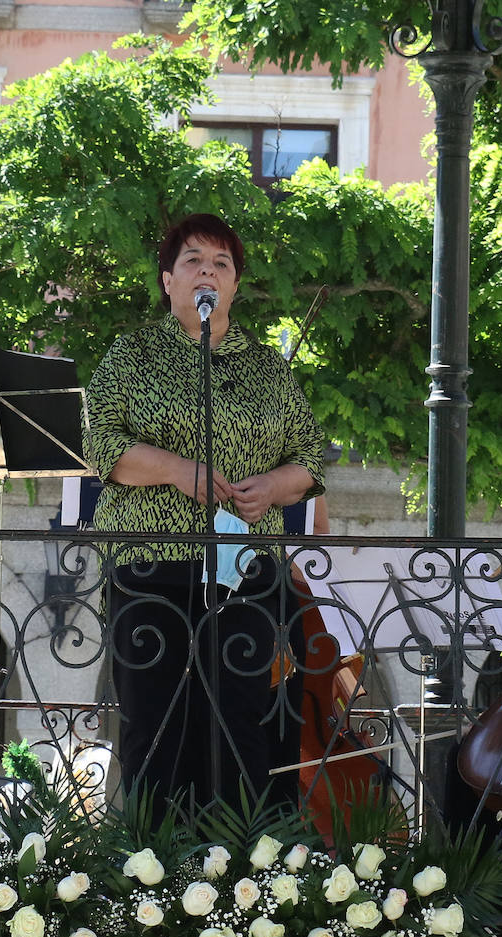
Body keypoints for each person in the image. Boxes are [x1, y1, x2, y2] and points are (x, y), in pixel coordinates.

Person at [82, 213, 325, 814]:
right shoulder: (132, 354)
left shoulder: (268, 368)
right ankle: (151, 873)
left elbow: (311, 461)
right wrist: (177, 470)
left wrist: (271, 486)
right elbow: (100, 444)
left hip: (243, 572)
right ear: (168, 280)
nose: (207, 272)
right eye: (193, 261)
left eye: (221, 263)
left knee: (243, 724)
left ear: (235, 285)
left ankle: (243, 870)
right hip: (150, 567)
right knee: (156, 725)